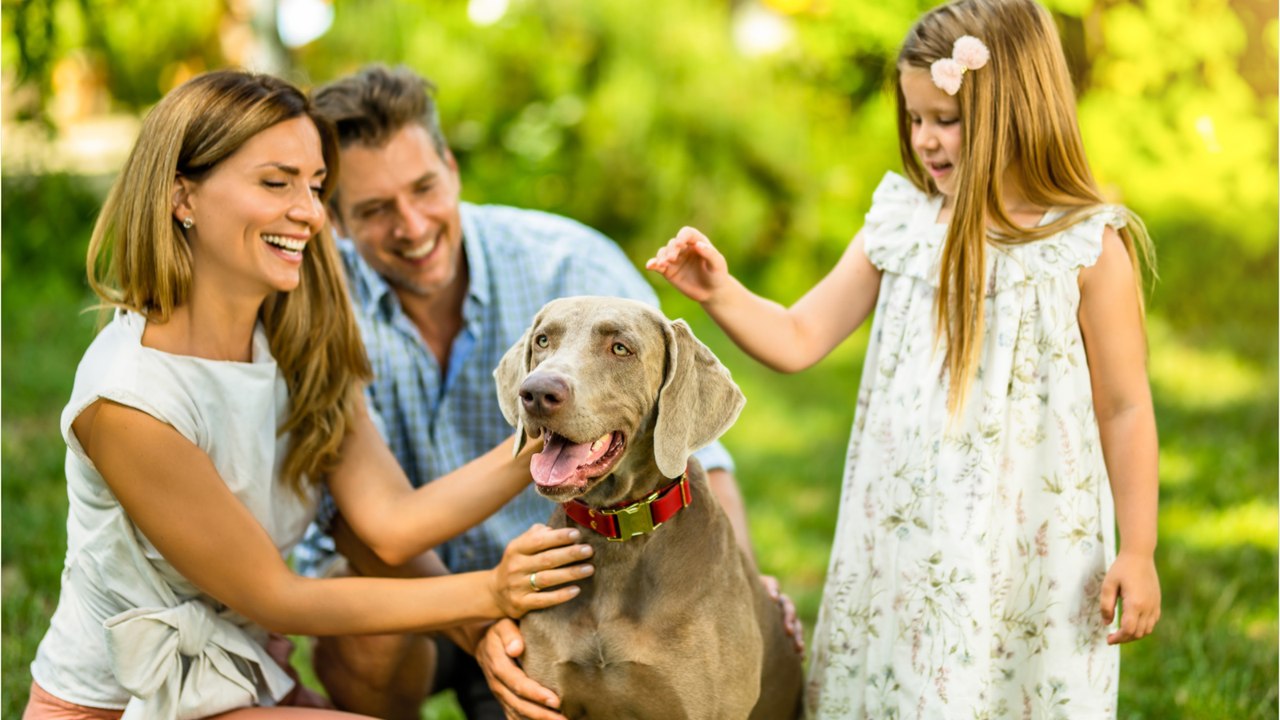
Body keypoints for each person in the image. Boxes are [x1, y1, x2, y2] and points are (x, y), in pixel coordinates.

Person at [22, 69, 595, 720]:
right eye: (277, 183)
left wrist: (555, 432)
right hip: (122, 705)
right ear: (183, 196)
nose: (311, 213)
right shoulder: (130, 397)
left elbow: (391, 524)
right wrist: (490, 592)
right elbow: (279, 598)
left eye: (316, 186)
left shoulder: (294, 343)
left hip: (241, 689)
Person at [647, 0, 1161, 716]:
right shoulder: (901, 226)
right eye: (914, 118)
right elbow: (798, 336)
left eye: (945, 119)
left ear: (1016, 108)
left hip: (1032, 540)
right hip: (906, 535)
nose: (924, 139)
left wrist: (1138, 550)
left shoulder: (1085, 248)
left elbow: (1125, 407)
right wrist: (720, 292)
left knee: (1018, 683)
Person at [296, 64, 800, 720]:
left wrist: (742, 591)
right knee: (364, 641)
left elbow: (688, 436)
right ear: (335, 220)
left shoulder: (569, 263)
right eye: (375, 210)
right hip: (424, 597)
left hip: (565, 581)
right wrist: (483, 625)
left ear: (451, 168)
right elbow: (357, 525)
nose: (413, 225)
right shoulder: (322, 312)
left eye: (424, 188)